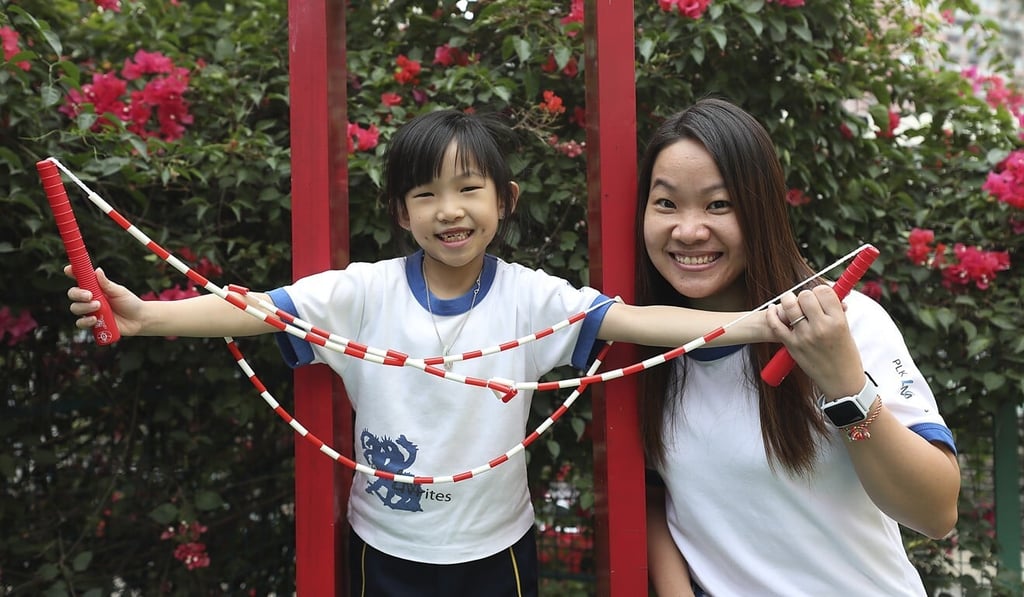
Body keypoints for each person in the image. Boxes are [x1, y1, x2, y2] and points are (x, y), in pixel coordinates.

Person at [67, 108, 782, 597]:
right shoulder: (361, 294)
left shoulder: (531, 299)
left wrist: (752, 324)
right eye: (426, 192)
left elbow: (630, 320)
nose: (450, 210)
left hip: (497, 546)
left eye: (469, 189)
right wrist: (142, 317)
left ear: (504, 200)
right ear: (400, 212)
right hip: (385, 546)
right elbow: (252, 307)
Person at [635, 97, 961, 597]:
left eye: (719, 204)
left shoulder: (847, 324)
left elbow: (936, 512)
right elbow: (657, 497)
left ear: (760, 210)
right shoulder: (647, 345)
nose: (689, 230)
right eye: (666, 203)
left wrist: (846, 386)